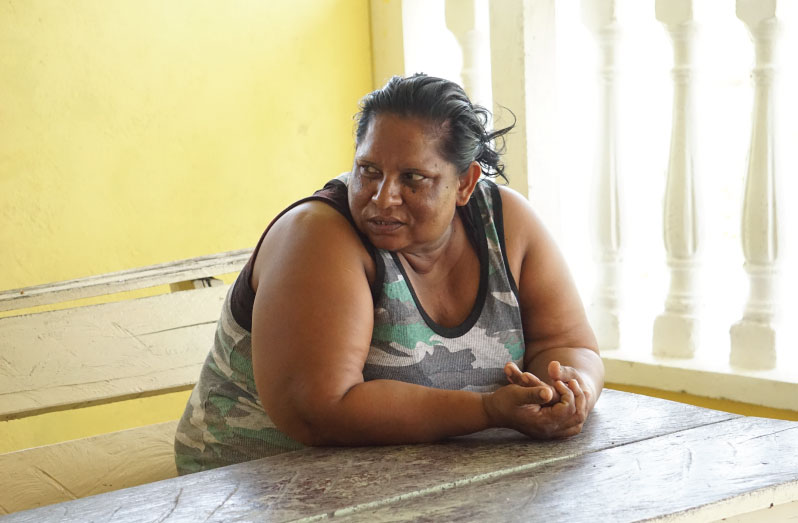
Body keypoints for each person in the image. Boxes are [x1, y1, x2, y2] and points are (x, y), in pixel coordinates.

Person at [174, 74, 604, 475]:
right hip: (261, 485)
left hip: (431, 478)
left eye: (413, 178)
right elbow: (320, 411)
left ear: (465, 183)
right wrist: (489, 411)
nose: (383, 198)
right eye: (369, 171)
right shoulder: (319, 237)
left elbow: (566, 342)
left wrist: (569, 388)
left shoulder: (506, 222)